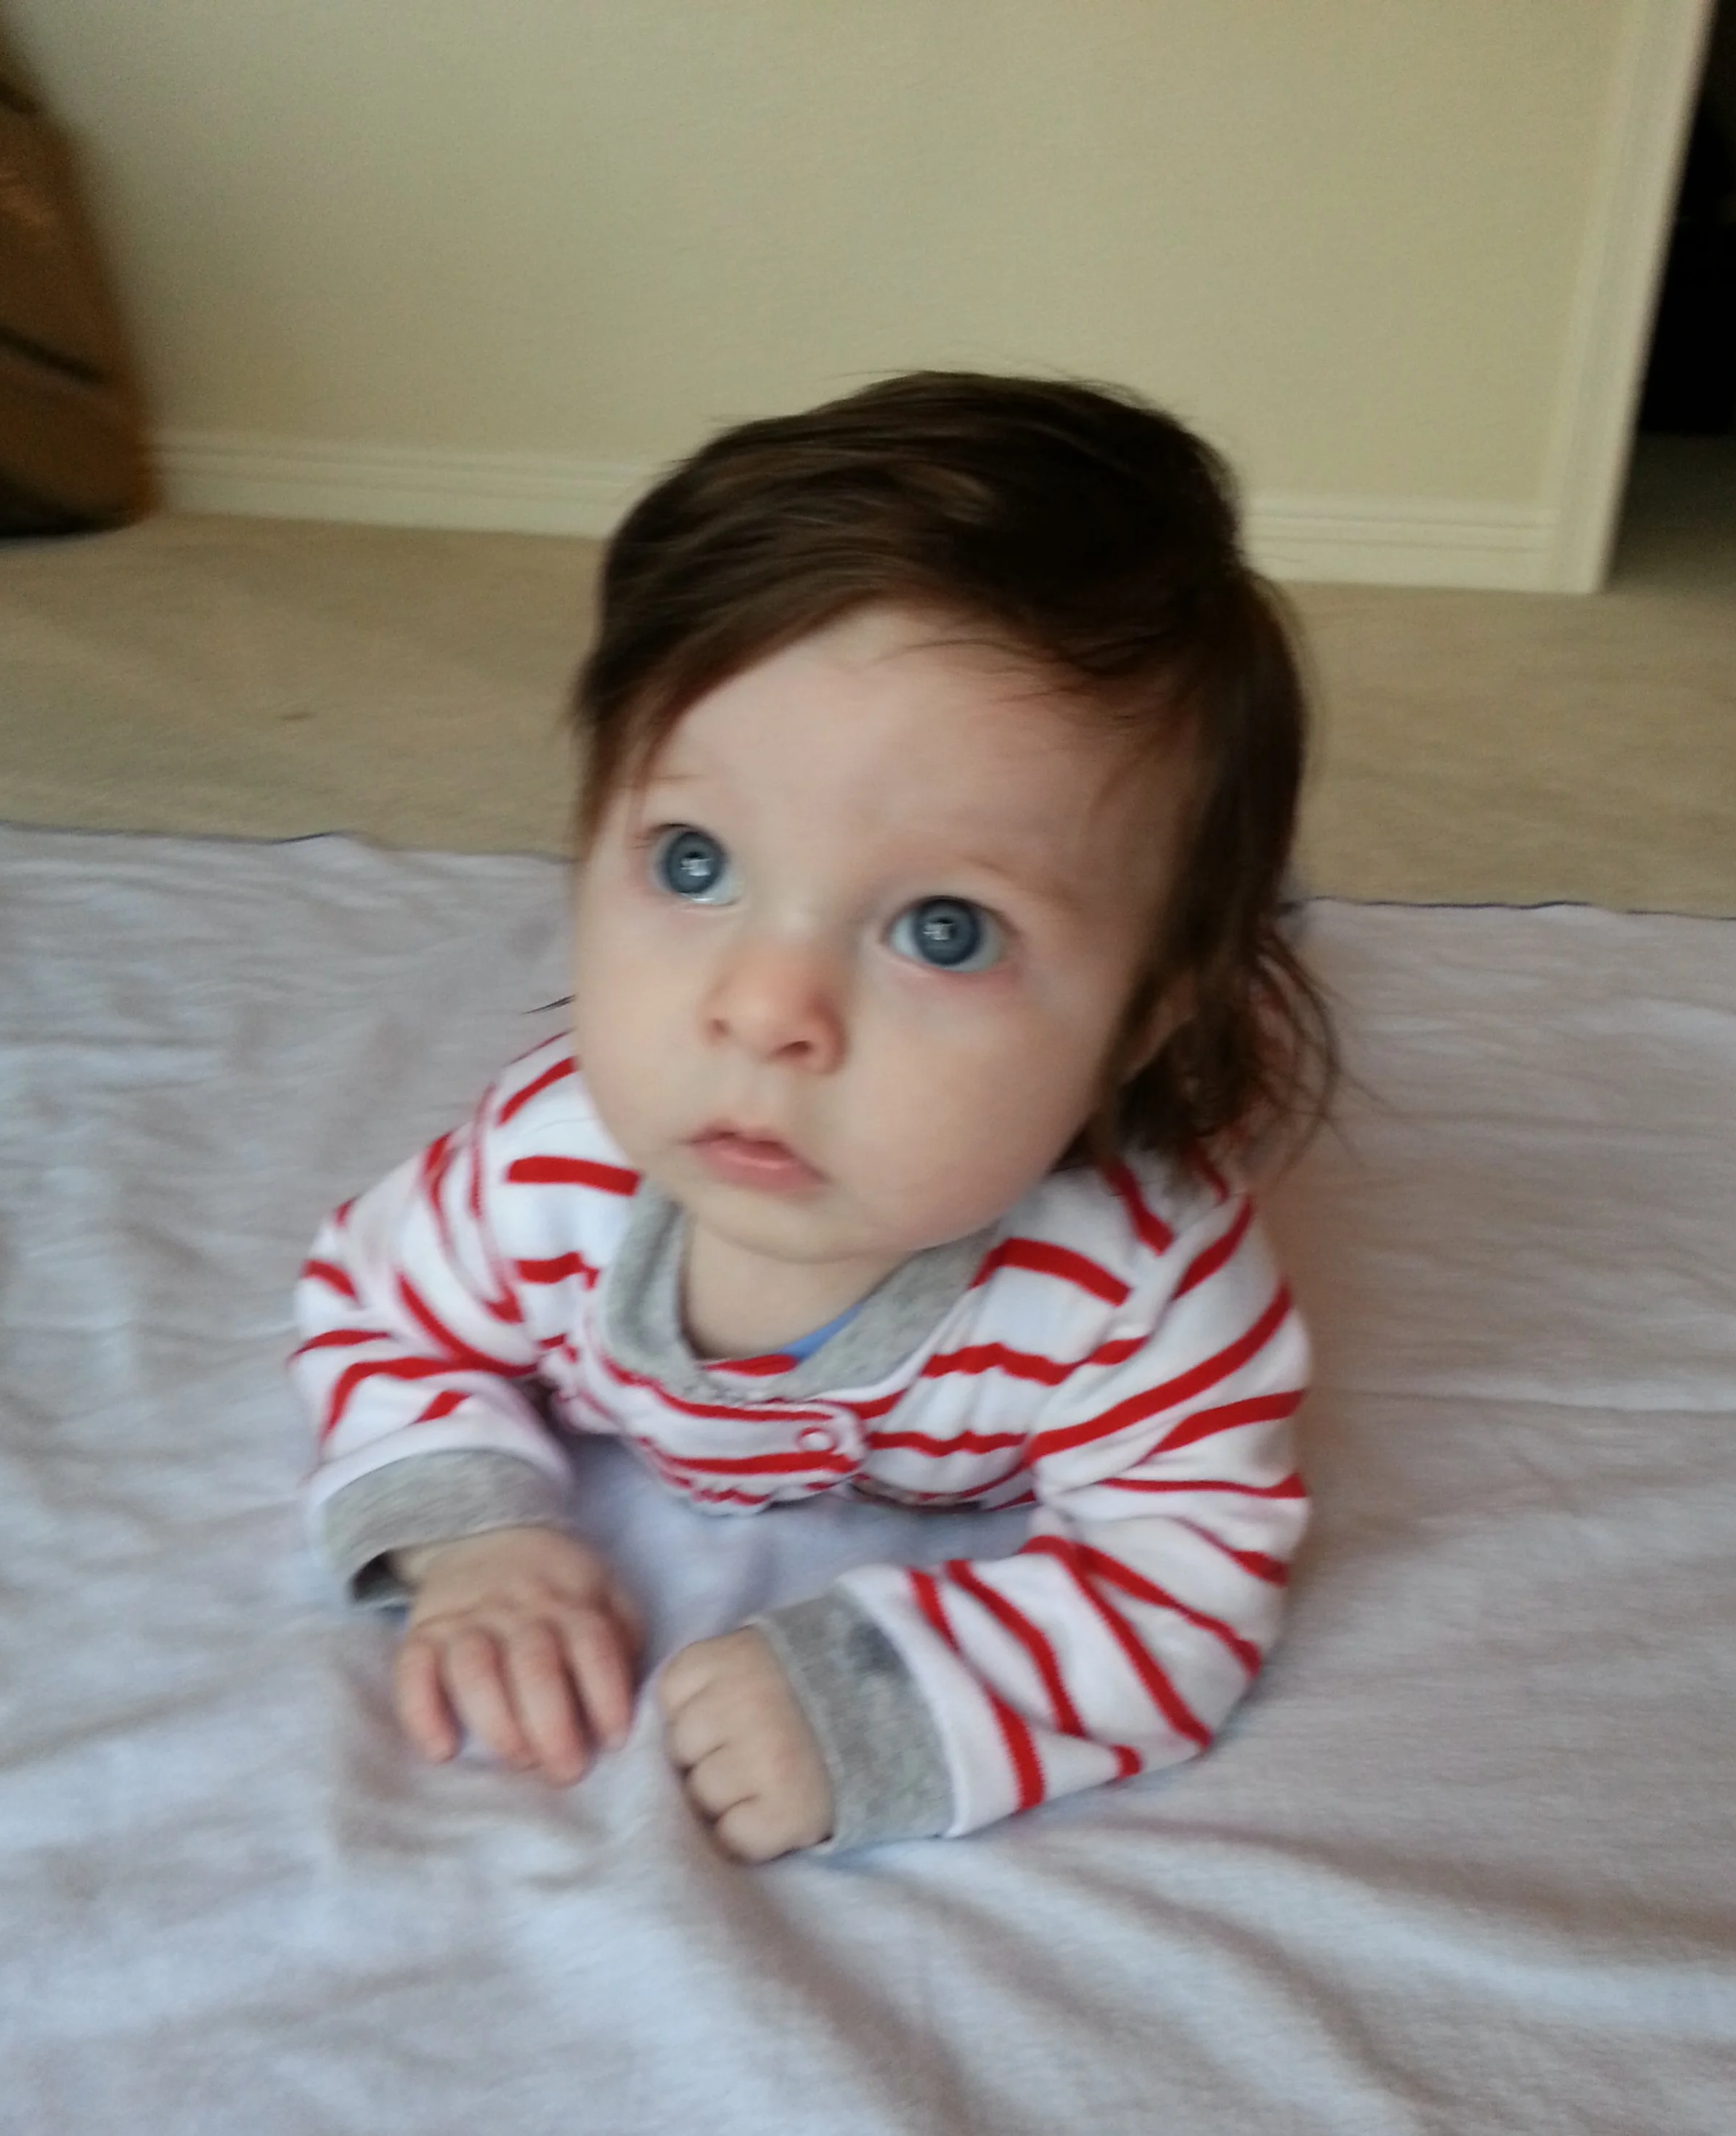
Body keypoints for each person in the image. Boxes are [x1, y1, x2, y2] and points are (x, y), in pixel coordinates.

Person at [292, 370, 1332, 1863]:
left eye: (947, 931)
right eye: (694, 863)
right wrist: (475, 1537)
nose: (764, 1006)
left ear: (1147, 1014)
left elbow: (1188, 1565)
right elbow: (377, 1311)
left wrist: (886, 1694)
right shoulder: (547, 1172)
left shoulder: (1135, 1288)